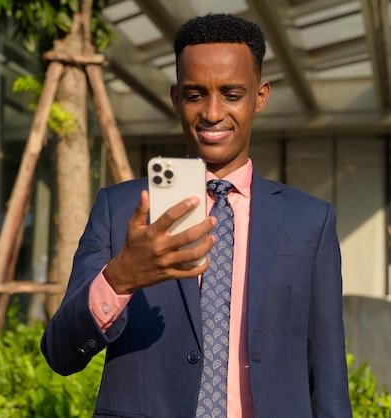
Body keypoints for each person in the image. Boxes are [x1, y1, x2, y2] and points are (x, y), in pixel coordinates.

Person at [41, 13, 351, 418]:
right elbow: (60, 354)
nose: (212, 112)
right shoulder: (121, 211)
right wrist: (120, 278)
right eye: (195, 94)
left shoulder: (311, 221)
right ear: (175, 98)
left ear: (260, 96)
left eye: (232, 93)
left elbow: (328, 381)